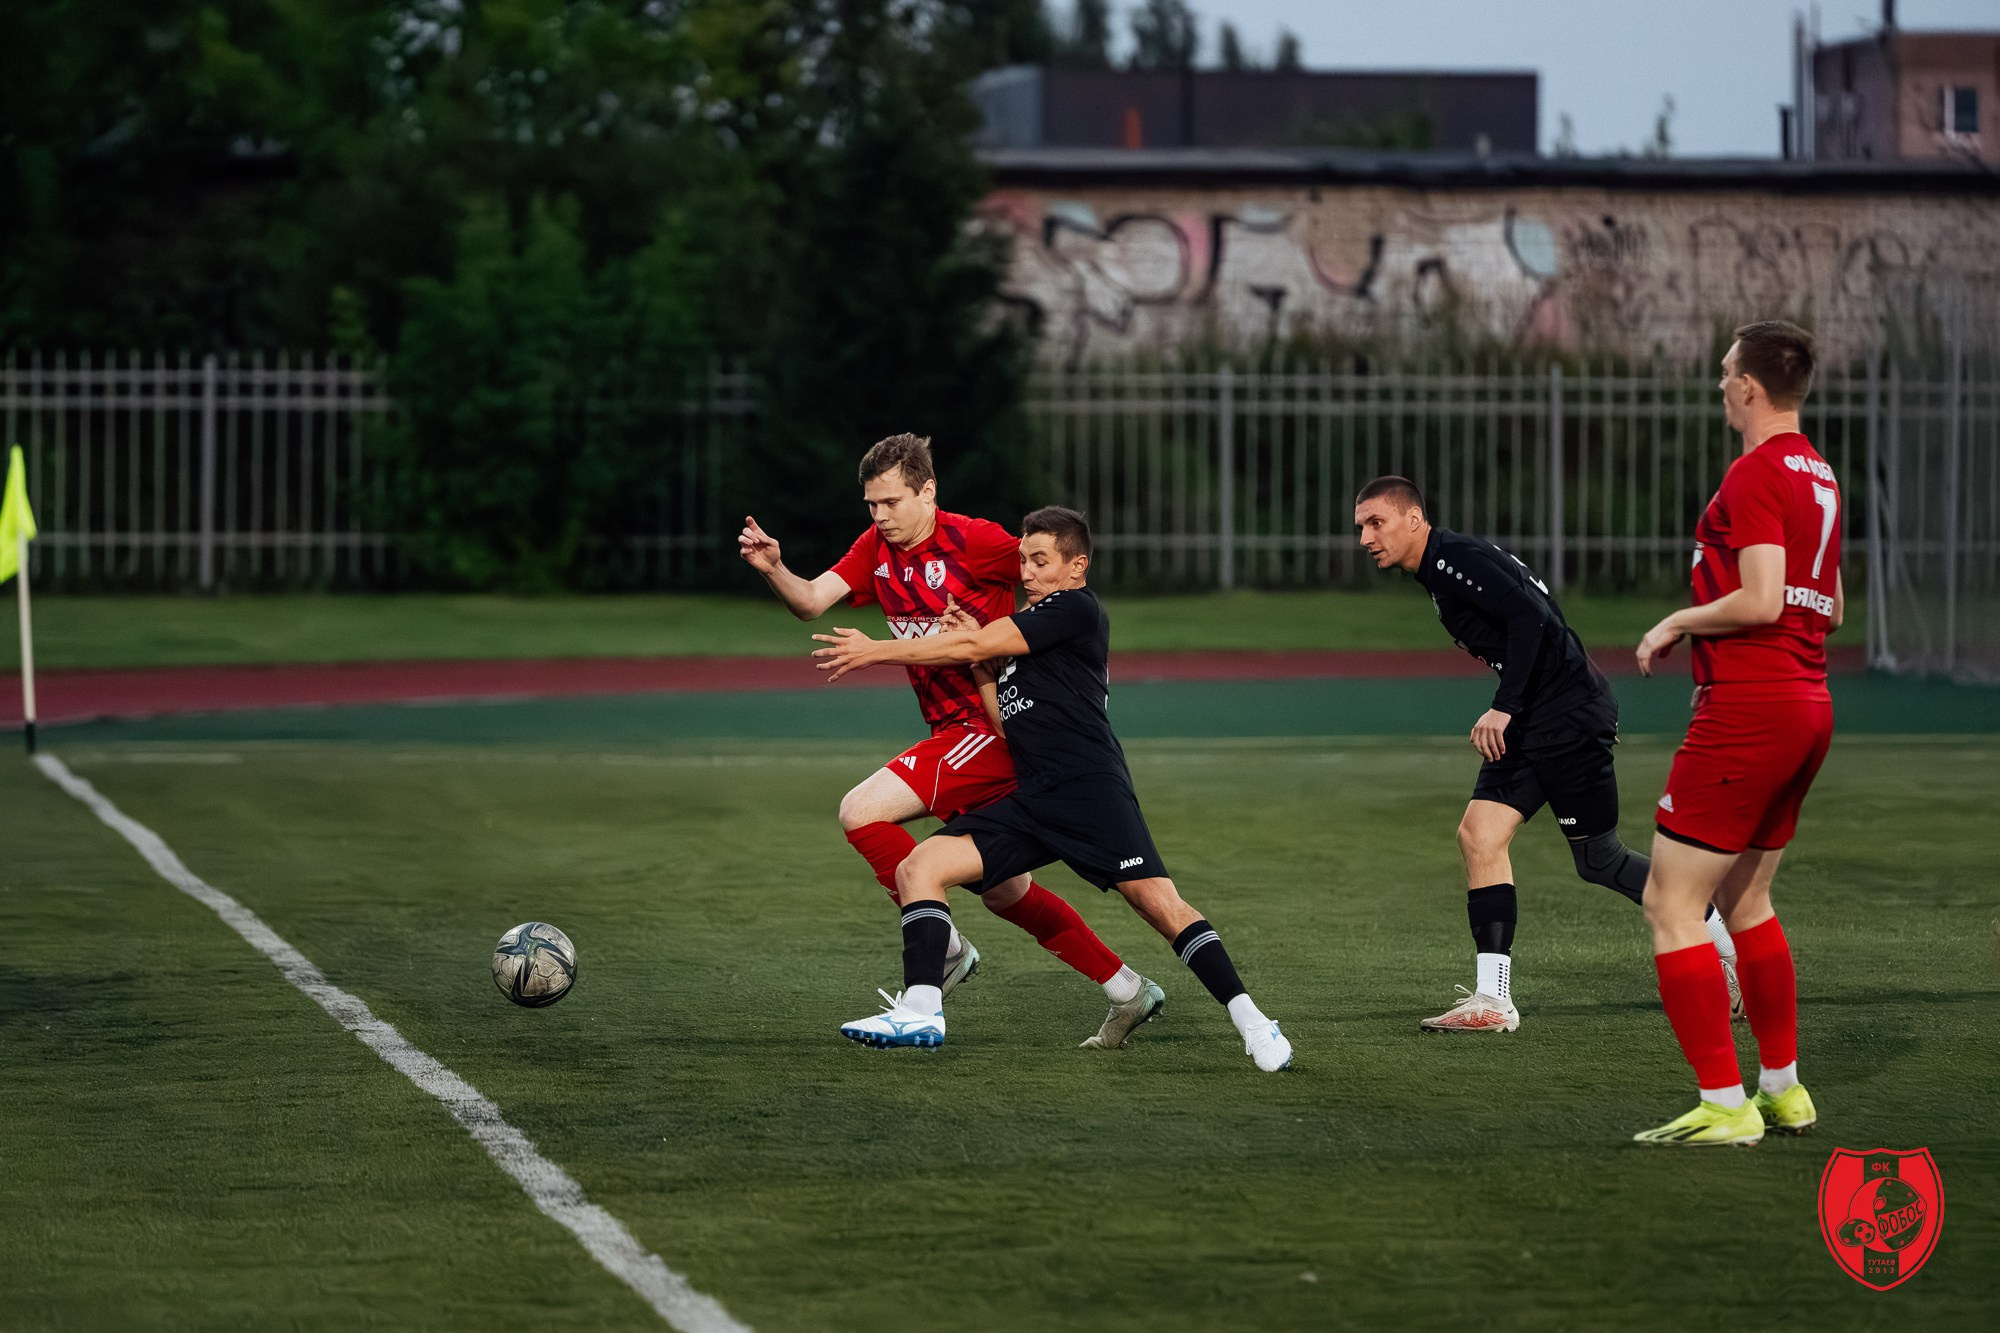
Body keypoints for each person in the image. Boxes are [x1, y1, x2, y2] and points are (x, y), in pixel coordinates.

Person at [813, 506, 1294, 1072]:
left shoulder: (1075, 609)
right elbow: (1000, 724)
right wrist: (984, 666)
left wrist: (877, 649)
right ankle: (921, 1013)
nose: (1028, 573)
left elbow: (972, 646)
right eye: (1022, 561)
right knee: (920, 867)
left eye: (1041, 561)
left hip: (1090, 793)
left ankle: (1254, 1023)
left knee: (1160, 906)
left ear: (1076, 567)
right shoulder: (1026, 637)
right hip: (1032, 798)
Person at [738, 435, 1163, 1049]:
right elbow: (810, 602)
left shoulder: (980, 541)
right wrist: (775, 568)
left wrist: (1057, 660)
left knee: (861, 810)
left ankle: (945, 953)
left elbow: (1054, 574)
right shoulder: (875, 548)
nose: (879, 515)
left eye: (890, 501)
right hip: (953, 734)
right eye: (871, 504)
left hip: (989, 731)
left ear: (928, 491)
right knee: (1003, 891)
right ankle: (1128, 988)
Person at [1354, 476, 1741, 1033]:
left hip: (1567, 715)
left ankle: (1727, 946)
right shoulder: (1438, 570)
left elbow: (1532, 620)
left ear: (1414, 519)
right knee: (1479, 835)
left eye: (1376, 522)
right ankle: (1493, 1000)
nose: (1366, 537)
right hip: (1536, 713)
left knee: (1599, 861)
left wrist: (1504, 706)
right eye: (1361, 527)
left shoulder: (1454, 558)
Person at [1630, 320, 1841, 1146]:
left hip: (1752, 705)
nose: (1720, 383)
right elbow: (1830, 603)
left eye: (1726, 372)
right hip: (1806, 698)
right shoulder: (1819, 470)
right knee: (1746, 897)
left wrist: (1675, 620)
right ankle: (1784, 1090)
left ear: (1751, 386)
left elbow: (1760, 598)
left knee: (1668, 902)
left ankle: (1725, 1104)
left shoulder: (1756, 470)